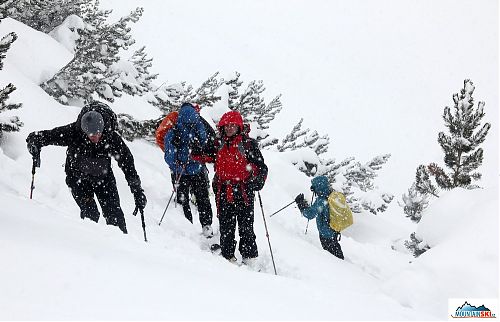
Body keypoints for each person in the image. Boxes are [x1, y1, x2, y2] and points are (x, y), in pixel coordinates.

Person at [25, 101, 147, 234]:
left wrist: (137, 190)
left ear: (103, 128)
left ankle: (122, 250)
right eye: (91, 135)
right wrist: (34, 142)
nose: (94, 137)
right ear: (84, 130)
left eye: (97, 134)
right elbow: (46, 136)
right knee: (91, 215)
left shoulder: (112, 138)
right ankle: (89, 248)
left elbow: (127, 163)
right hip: (78, 179)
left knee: (116, 220)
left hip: (104, 178)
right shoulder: (74, 132)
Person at [211, 110, 268, 265]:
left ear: (239, 127)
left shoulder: (248, 144)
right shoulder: (218, 143)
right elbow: (206, 155)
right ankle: (227, 255)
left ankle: (249, 259)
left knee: (246, 227)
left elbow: (262, 167)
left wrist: (257, 181)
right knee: (226, 226)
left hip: (243, 191)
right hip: (224, 190)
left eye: (232, 126)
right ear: (222, 127)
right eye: (226, 125)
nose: (229, 128)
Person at [163, 102, 214, 237]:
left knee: (182, 200)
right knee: (202, 198)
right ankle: (207, 225)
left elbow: (168, 157)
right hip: (197, 169)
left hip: (180, 172)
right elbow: (207, 145)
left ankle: (186, 226)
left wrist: (177, 166)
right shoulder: (199, 127)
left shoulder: (173, 132)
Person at [295, 175, 344, 260]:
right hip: (334, 230)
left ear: (318, 186)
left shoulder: (322, 201)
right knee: (335, 249)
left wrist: (301, 204)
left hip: (326, 233)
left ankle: (340, 268)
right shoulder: (332, 195)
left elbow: (310, 214)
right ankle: (343, 265)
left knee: (332, 257)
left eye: (314, 186)